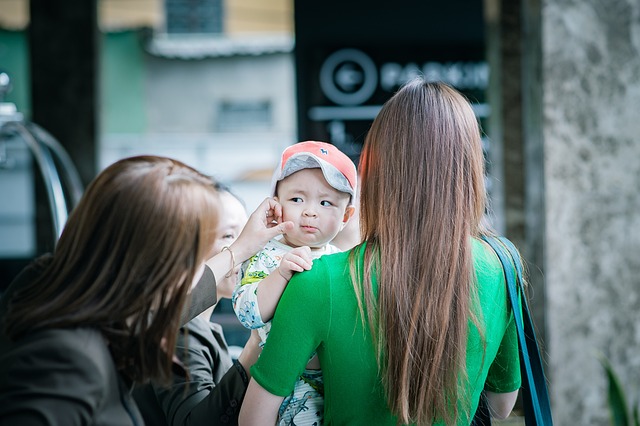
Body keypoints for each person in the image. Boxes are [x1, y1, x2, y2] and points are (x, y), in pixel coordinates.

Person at [239, 80, 522, 425]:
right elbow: (501, 404)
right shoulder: (501, 265)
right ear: (469, 169)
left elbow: (253, 419)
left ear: (376, 174)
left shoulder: (316, 279)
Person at [0, 155, 293, 425]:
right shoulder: (67, 359)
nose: (202, 269)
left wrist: (239, 249)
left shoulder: (58, 285)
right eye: (192, 255)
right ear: (150, 261)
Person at [233, 141, 357, 425]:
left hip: (335, 380)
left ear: (345, 216)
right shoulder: (266, 254)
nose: (310, 212)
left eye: (325, 203)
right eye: (297, 200)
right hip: (286, 382)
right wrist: (281, 274)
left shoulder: (342, 261)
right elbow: (247, 312)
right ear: (276, 203)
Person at [133, 184, 261, 425]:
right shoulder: (182, 334)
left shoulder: (197, 326)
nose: (249, 248)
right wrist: (255, 346)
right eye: (229, 235)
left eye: (247, 234)